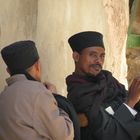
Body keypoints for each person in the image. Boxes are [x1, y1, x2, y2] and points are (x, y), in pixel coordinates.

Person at [66, 31, 140, 140]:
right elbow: (110, 133)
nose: (99, 61)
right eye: (93, 55)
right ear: (76, 57)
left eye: (102, 56)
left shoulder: (107, 79)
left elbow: (127, 99)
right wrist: (130, 102)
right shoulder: (79, 94)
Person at [0, 40, 74, 140]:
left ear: (9, 71)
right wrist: (54, 97)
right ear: (37, 65)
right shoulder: (38, 93)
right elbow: (65, 135)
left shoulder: (3, 96)